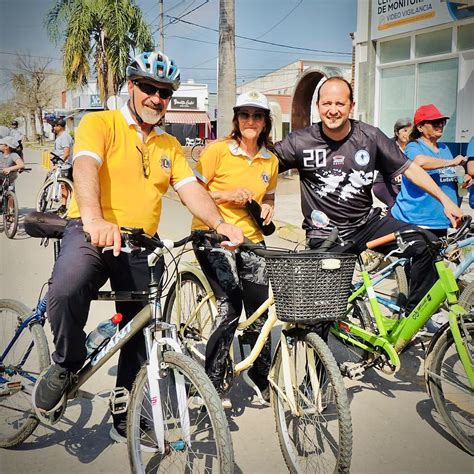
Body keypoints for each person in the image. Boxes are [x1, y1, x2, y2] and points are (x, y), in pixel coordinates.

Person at [33, 51, 244, 444]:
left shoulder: (169, 146)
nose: (156, 98)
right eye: (148, 87)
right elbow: (85, 166)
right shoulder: (101, 123)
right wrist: (95, 220)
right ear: (131, 87)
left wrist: (219, 223)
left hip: (139, 244)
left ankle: (127, 404)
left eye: (164, 92)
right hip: (91, 231)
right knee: (65, 290)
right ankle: (65, 363)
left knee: (142, 326)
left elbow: (190, 189)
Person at [274, 76, 462, 337]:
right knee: (321, 315)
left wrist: (446, 200)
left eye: (340, 103)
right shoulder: (300, 141)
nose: (333, 110)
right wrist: (265, 199)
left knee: (426, 243)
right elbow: (263, 166)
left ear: (351, 106)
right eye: (327, 103)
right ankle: (317, 374)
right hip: (327, 235)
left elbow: (409, 169)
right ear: (318, 107)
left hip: (368, 225)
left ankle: (412, 316)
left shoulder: (369, 136)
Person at [191, 91, 279, 407]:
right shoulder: (217, 152)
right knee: (230, 303)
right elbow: (190, 193)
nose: (251, 121)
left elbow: (269, 195)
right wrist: (226, 195)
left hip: (252, 238)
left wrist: (268, 206)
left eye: (257, 116)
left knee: (260, 308)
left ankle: (260, 373)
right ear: (236, 120)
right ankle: (211, 383)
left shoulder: (271, 160)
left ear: (266, 122)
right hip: (212, 235)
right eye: (245, 115)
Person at [391, 104, 470, 238]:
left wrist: (463, 180)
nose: (440, 125)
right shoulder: (413, 146)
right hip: (417, 220)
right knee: (422, 259)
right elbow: (419, 162)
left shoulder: (444, 148)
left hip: (442, 220)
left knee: (439, 258)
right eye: (435, 122)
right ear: (420, 127)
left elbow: (450, 175)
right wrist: (451, 162)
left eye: (442, 122)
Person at [373, 117, 411, 209]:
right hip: (384, 184)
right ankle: (385, 221)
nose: (408, 134)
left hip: (401, 185)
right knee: (396, 206)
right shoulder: (389, 145)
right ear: (397, 133)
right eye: (405, 131)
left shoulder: (412, 147)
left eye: (410, 131)